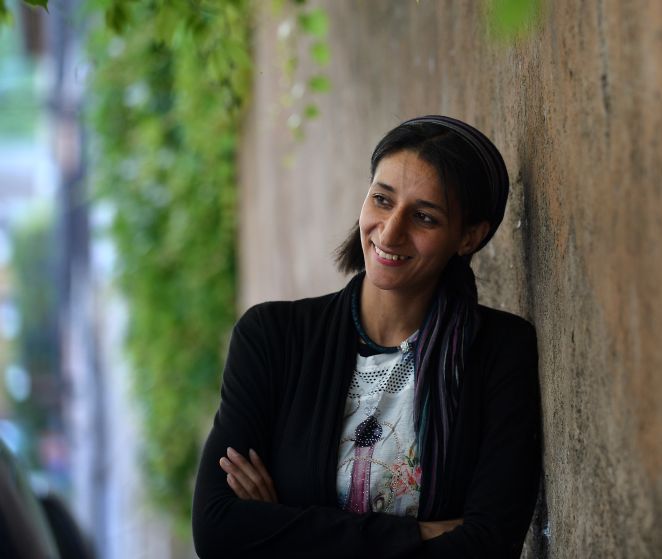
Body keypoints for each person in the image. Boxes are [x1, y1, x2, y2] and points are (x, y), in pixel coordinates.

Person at [192, 115, 541, 558]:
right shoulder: (272, 338)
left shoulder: (499, 351)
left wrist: (285, 528)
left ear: (469, 236)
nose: (390, 231)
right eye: (381, 199)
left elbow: (489, 543)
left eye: (424, 217)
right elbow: (218, 530)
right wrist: (423, 532)